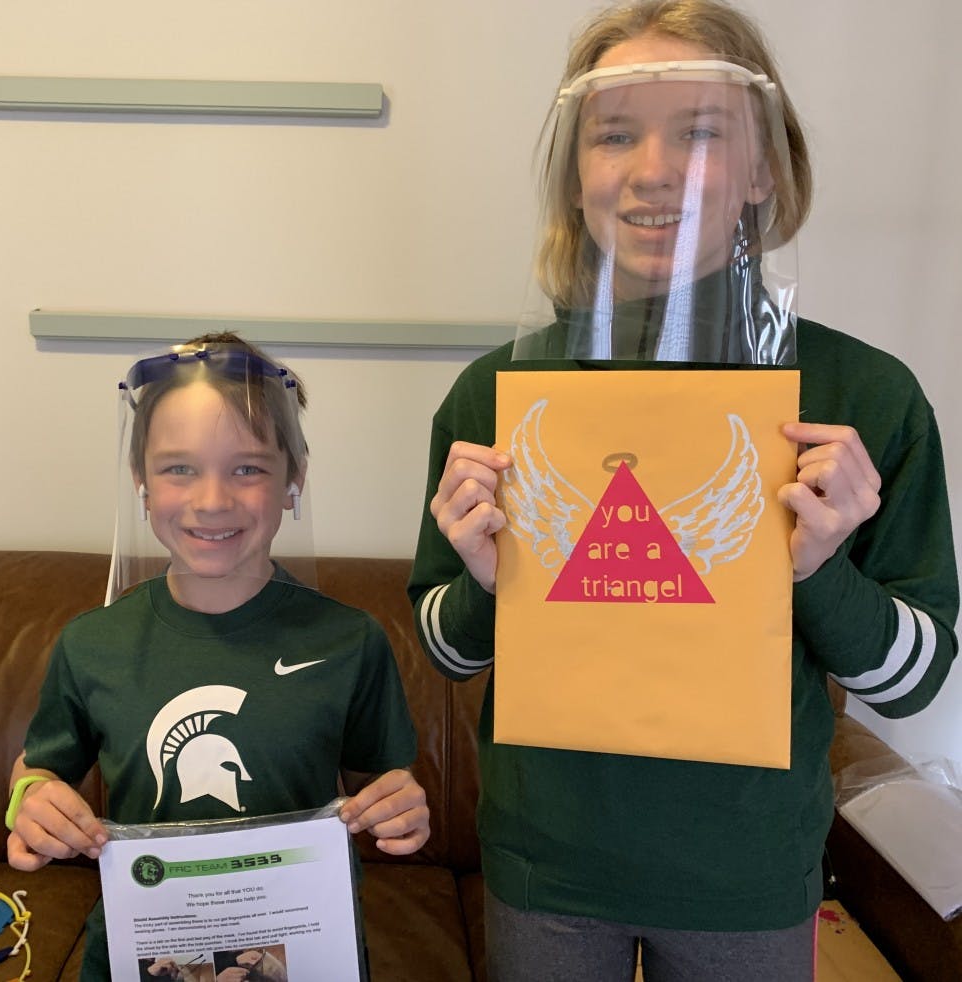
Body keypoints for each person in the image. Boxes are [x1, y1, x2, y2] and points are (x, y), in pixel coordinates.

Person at [407, 2, 958, 980]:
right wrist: (489, 580)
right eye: (614, 134)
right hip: (544, 868)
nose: (653, 169)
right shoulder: (499, 398)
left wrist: (819, 569)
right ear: (575, 172)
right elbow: (446, 649)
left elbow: (913, 679)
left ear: (762, 169)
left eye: (699, 133)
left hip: (745, 875)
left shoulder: (861, 398)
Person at [7, 333, 428, 979]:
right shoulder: (92, 644)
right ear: (141, 482)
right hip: (146, 952)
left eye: (247, 468)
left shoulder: (351, 641)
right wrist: (30, 800)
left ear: (294, 479)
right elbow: (38, 769)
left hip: (302, 955)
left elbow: (381, 786)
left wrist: (400, 808)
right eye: (178, 468)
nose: (211, 501)